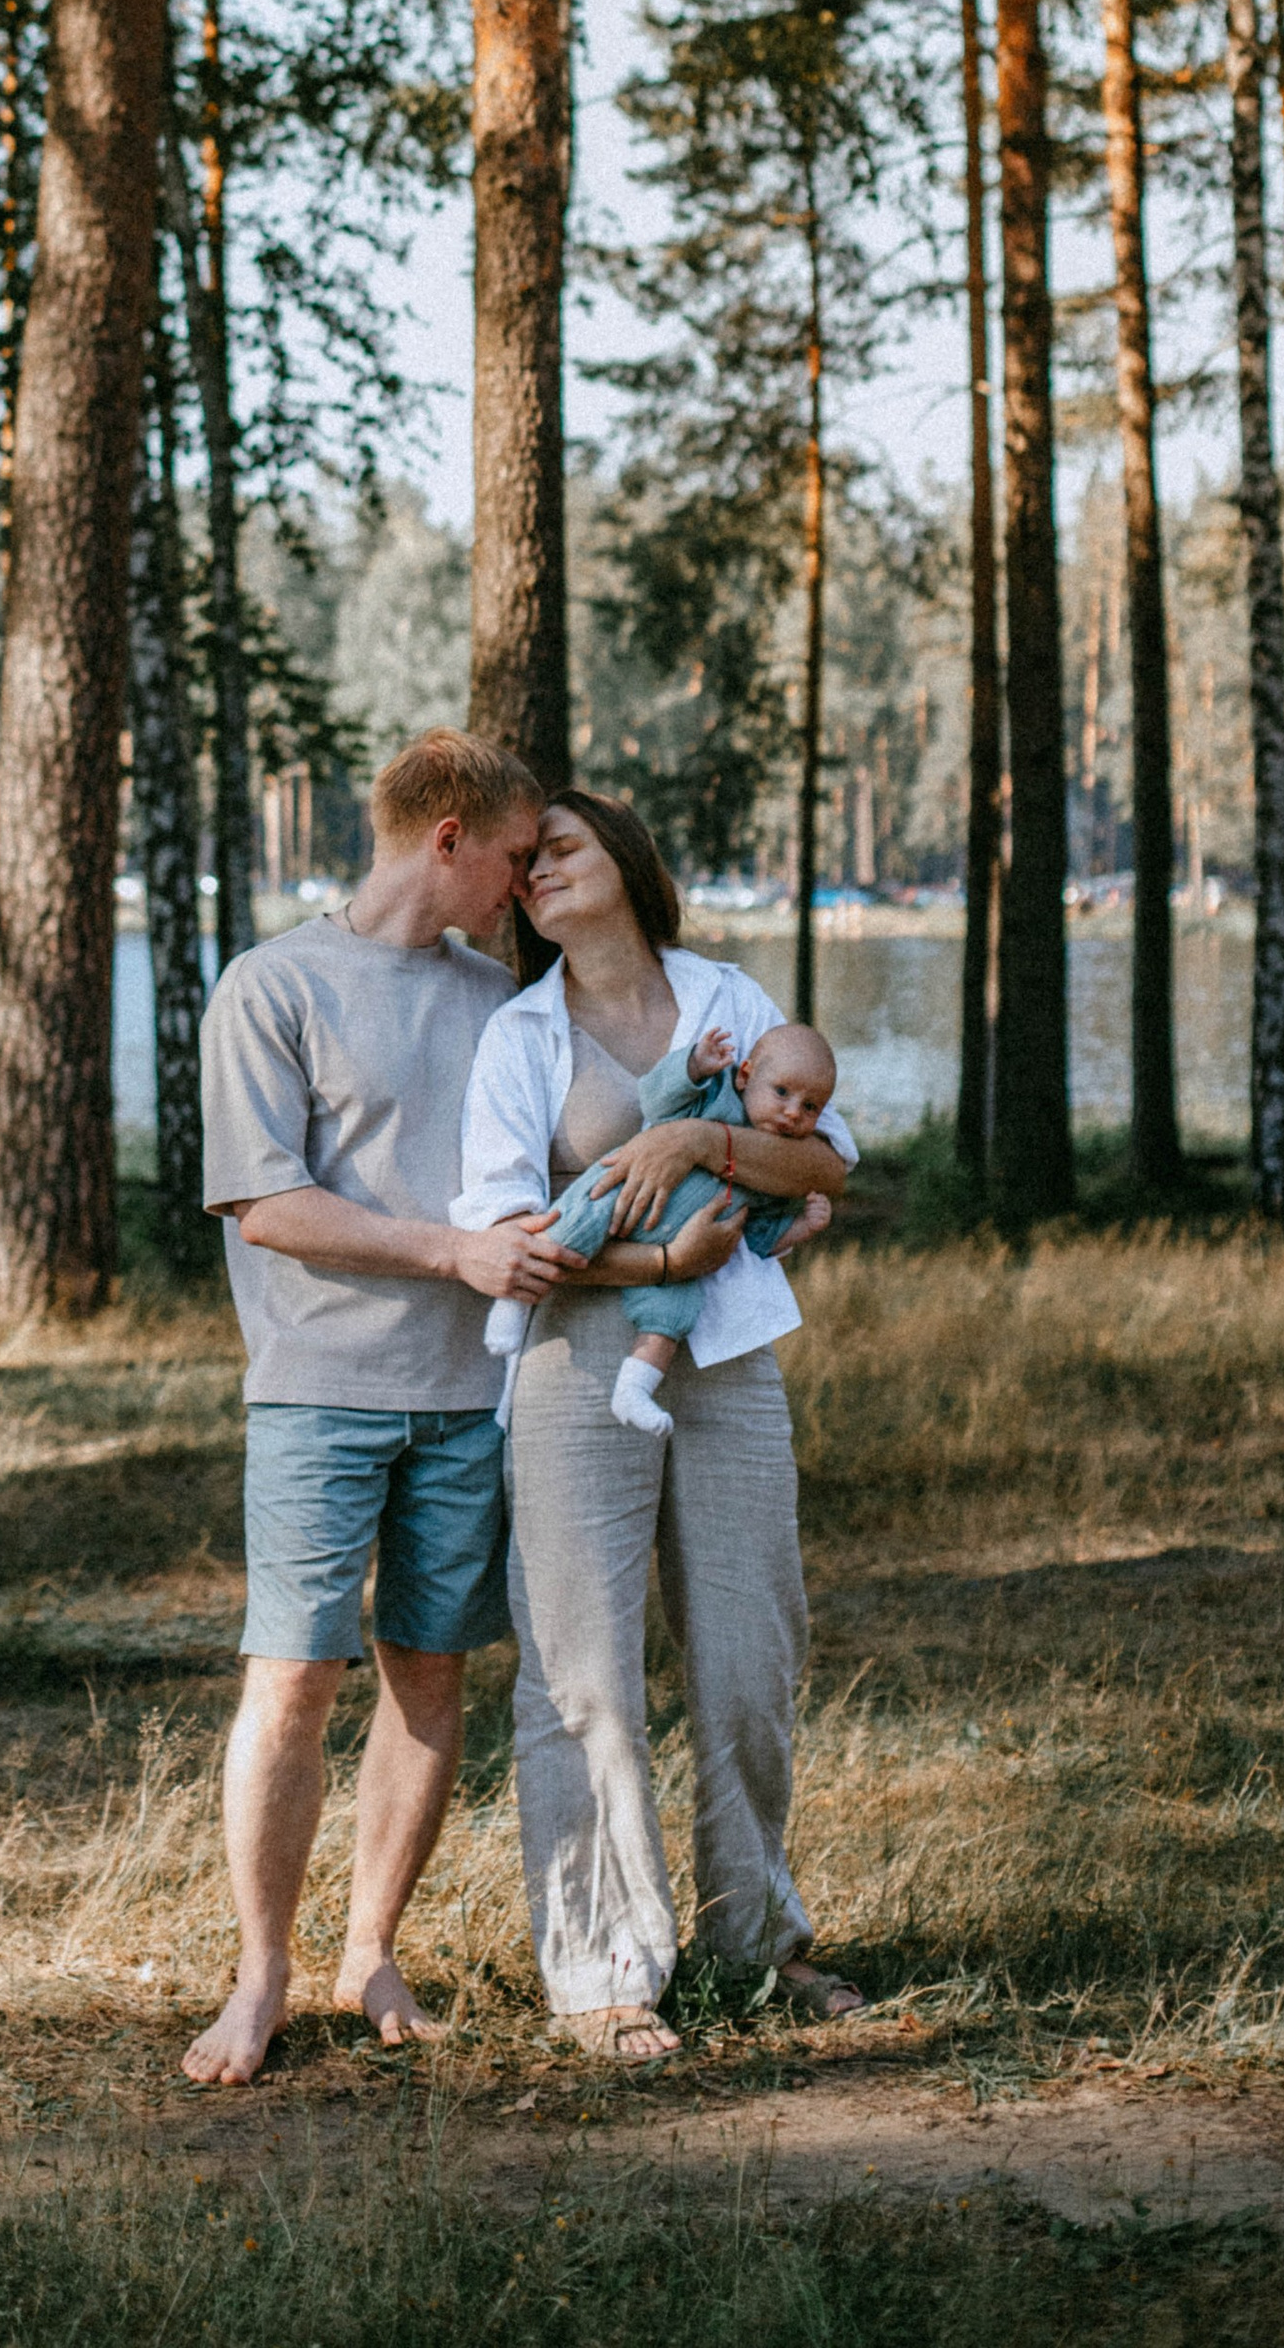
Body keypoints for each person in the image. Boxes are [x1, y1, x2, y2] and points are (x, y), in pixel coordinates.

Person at [182, 727, 657, 2090]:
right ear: (446, 842)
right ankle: (260, 1975)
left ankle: (368, 1952)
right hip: (318, 1394)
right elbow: (266, 1203)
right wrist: (453, 1253)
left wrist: (757, 1173)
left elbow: (583, 1155)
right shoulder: (274, 985)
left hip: (474, 1398)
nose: (526, 884)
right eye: (511, 857)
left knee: (429, 1675)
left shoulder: (505, 998)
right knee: (292, 1680)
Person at [453, 790, 863, 2063]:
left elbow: (824, 1161)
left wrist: (693, 1137)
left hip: (726, 1358)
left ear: (626, 861)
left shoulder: (729, 1001)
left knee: (750, 1654)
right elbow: (509, 1239)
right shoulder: (519, 1035)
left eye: (560, 850)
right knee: (583, 1675)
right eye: (524, 864)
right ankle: (603, 1969)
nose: (535, 874)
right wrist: (658, 1262)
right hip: (574, 1364)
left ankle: (758, 1941)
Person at [479, 1020, 839, 1434]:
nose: (793, 1112)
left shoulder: (770, 1170)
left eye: (811, 1108)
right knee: (574, 1226)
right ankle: (516, 1300)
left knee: (672, 1318)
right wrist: (692, 1066)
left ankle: (634, 1389)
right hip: (620, 1193)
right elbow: (655, 1100)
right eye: (782, 1092)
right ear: (745, 1076)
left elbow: (757, 1237)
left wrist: (801, 1227)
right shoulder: (715, 1096)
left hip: (682, 1257)